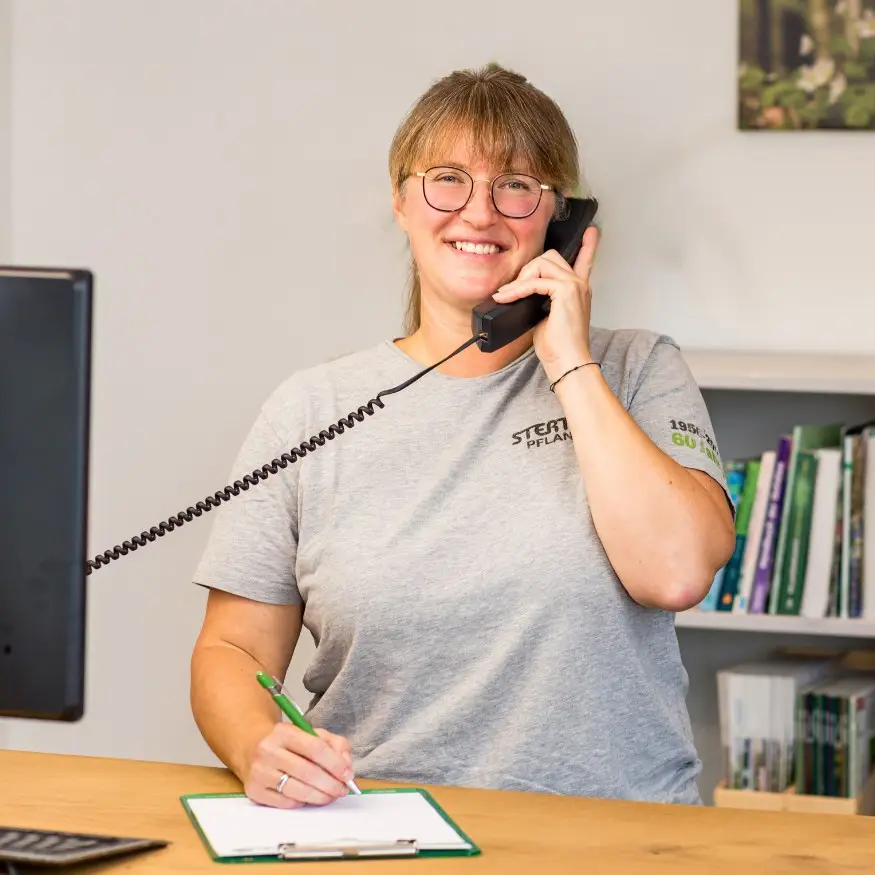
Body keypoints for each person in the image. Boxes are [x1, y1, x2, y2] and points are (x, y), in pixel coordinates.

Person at [189, 62, 736, 810]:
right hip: (378, 829)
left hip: (608, 837)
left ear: (560, 218)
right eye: (447, 179)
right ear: (402, 201)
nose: (479, 214)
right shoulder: (310, 409)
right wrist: (257, 743)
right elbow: (234, 649)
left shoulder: (638, 369)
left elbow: (673, 572)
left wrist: (569, 360)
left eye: (515, 185)